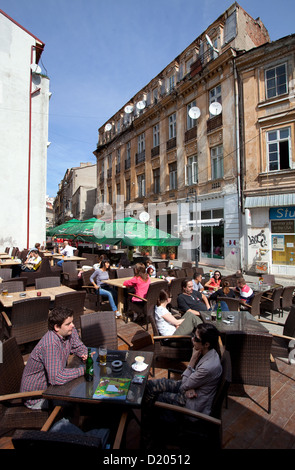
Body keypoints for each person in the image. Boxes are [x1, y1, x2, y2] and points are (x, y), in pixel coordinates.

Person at [143, 323, 222, 415]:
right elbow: (187, 384)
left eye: (196, 339)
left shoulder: (208, 366)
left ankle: (148, 421)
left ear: (206, 344)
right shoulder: (207, 352)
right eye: (193, 335)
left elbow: (184, 385)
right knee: (149, 385)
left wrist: (192, 360)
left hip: (191, 403)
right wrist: (189, 387)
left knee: (157, 398)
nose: (192, 339)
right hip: (191, 388)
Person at [20, 307, 90, 409]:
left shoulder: (69, 331)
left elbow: (78, 346)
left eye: (72, 322)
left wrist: (85, 354)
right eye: (68, 324)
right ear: (57, 327)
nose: (73, 325)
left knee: (81, 392)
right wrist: (83, 370)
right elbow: (57, 378)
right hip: (39, 396)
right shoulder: (51, 344)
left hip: (54, 389)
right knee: (78, 403)